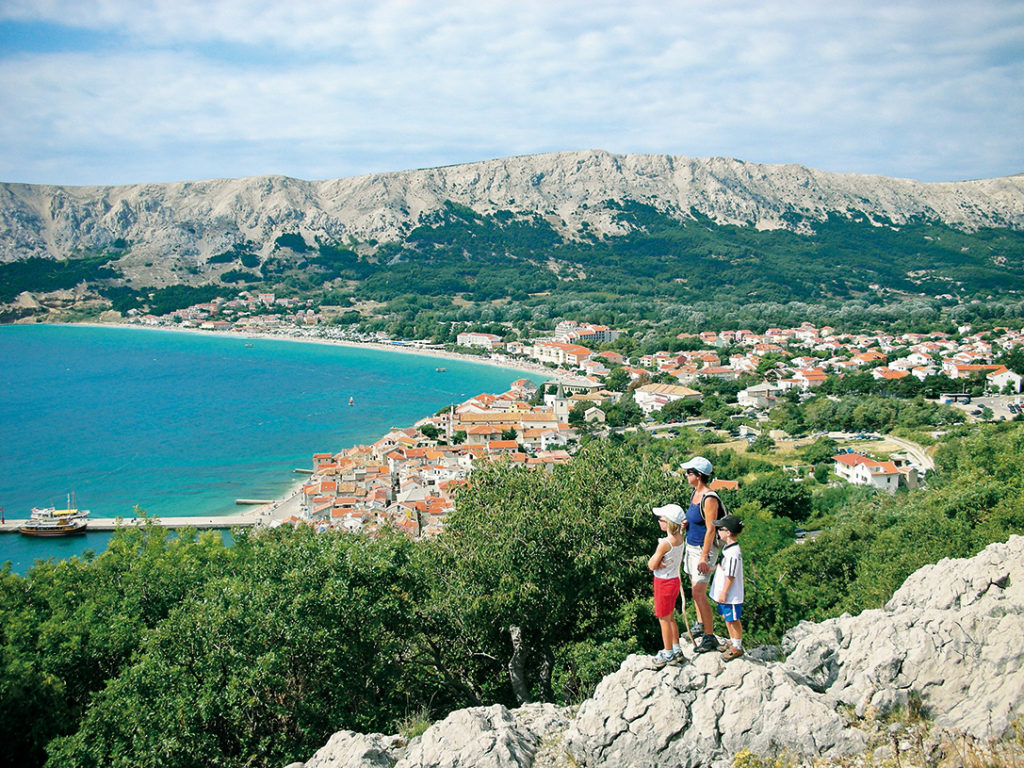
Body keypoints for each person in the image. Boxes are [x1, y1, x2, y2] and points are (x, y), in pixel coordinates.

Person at [680, 456, 722, 654]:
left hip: (704, 550)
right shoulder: (694, 493)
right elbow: (695, 518)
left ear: (698, 475)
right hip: (691, 545)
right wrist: (687, 524)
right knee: (693, 586)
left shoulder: (709, 497)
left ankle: (709, 635)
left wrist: (704, 557)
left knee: (698, 592)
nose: (686, 475)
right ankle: (699, 623)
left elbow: (711, 529)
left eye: (689, 472)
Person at [648, 502, 686, 668]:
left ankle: (668, 653)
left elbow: (651, 565)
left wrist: (657, 559)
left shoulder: (665, 543)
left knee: (663, 619)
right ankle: (677, 648)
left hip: (663, 583)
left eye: (661, 519)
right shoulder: (679, 538)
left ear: (668, 522)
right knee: (670, 617)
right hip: (674, 581)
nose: (659, 521)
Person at [710, 514, 745, 661]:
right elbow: (724, 568)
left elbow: (730, 575)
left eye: (720, 529)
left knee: (733, 619)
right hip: (726, 595)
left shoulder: (732, 553)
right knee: (727, 618)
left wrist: (724, 593)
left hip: (731, 596)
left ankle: (737, 646)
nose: (718, 532)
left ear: (728, 532)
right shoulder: (728, 549)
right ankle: (732, 640)